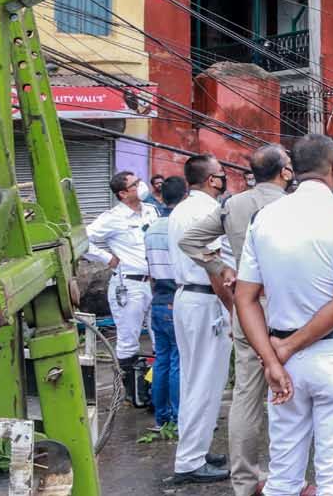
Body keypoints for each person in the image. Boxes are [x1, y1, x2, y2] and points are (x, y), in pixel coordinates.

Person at [235, 134, 333, 496]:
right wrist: (287, 349)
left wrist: (273, 358)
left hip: (283, 361)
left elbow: (244, 298)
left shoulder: (264, 219)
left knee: (282, 479)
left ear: (294, 171)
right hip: (332, 356)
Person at [179, 144, 293, 496]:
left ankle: (244, 481)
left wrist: (219, 266)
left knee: (247, 394)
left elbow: (190, 240)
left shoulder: (233, 205)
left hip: (247, 307)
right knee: (297, 389)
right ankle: (287, 477)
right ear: (285, 172)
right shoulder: (293, 206)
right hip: (291, 307)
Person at [169, 154, 232, 485]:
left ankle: (195, 448)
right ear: (211, 180)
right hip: (205, 299)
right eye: (221, 174)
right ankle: (191, 460)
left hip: (187, 297)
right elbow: (214, 266)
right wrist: (234, 308)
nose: (224, 179)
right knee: (206, 381)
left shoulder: (182, 209)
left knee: (194, 378)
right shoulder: (207, 211)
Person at [85, 171, 158, 407]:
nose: (141, 185)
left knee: (159, 338)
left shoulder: (150, 210)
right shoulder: (113, 217)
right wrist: (106, 258)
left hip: (154, 283)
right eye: (135, 184)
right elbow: (82, 239)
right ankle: (130, 394)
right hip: (129, 286)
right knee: (128, 341)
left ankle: (152, 389)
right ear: (123, 193)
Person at [144, 176, 188, 431]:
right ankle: (180, 417)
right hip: (174, 297)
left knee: (161, 358)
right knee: (177, 360)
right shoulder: (178, 226)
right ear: (184, 196)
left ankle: (162, 417)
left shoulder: (151, 228)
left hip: (158, 298)